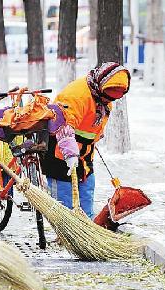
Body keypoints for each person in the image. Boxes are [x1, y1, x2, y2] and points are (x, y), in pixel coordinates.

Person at [41, 62, 130, 218]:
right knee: (64, 203)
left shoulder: (103, 97)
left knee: (86, 193)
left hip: (85, 156)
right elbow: (64, 127)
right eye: (107, 97)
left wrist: (95, 137)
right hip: (60, 154)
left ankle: (87, 227)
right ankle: (64, 233)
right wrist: (70, 154)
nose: (108, 101)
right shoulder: (75, 96)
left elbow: (94, 122)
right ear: (101, 86)